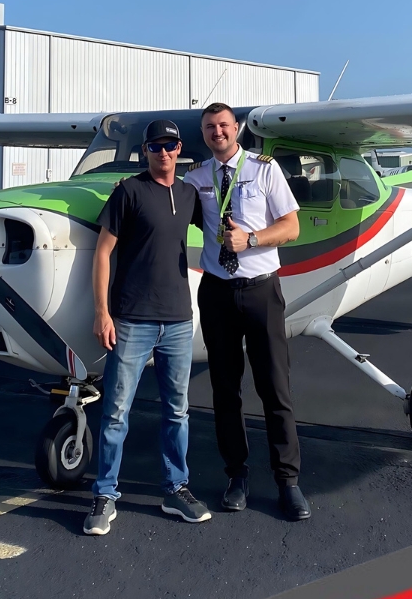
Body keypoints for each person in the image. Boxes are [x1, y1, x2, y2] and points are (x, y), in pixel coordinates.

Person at [84, 118, 211, 536]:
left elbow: (220, 226)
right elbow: (103, 254)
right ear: (145, 151)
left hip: (177, 319)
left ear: (179, 150)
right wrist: (102, 313)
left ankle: (176, 489)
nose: (164, 152)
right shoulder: (129, 192)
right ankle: (105, 495)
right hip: (132, 318)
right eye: (156, 146)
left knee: (177, 411)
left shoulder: (190, 194)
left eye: (171, 146)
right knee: (116, 412)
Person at [185, 103, 310, 521]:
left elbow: (291, 227)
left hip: (260, 290)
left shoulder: (264, 169)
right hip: (217, 292)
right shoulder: (196, 178)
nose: (217, 132)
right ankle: (236, 475)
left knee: (274, 387)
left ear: (235, 128)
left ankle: (287, 481)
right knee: (225, 390)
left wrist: (252, 239)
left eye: (223, 125)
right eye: (209, 127)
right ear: (203, 133)